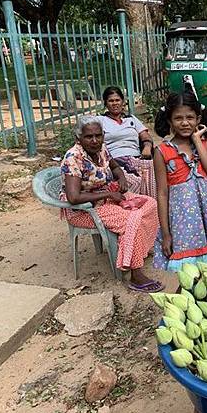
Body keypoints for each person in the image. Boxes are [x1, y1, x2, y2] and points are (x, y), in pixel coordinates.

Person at [61, 115, 162, 293]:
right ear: (78, 138)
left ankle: (138, 250)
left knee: (150, 204)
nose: (94, 140)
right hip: (84, 210)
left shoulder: (101, 149)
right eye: (89, 137)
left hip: (105, 199)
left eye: (98, 135)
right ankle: (135, 275)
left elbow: (115, 167)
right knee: (132, 219)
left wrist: (121, 178)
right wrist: (108, 193)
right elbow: (73, 197)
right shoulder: (73, 158)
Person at [152, 90, 207, 271]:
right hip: (181, 225)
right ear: (170, 121)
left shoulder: (206, 145)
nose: (185, 123)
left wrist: (197, 140)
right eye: (178, 118)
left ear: (198, 119)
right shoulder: (162, 152)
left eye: (190, 117)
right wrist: (166, 233)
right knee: (188, 272)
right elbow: (162, 194)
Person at [99, 86, 156, 197]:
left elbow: (145, 136)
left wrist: (147, 147)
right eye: (111, 101)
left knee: (153, 174)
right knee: (134, 182)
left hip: (137, 158)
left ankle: (153, 207)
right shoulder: (100, 121)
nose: (115, 103)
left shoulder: (131, 119)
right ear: (105, 103)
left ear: (122, 102)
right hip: (114, 161)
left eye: (117, 100)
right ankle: (136, 208)